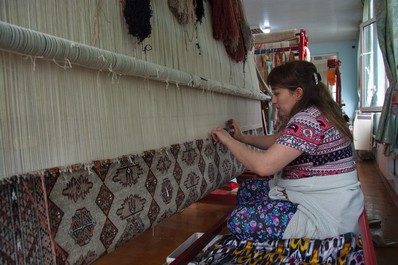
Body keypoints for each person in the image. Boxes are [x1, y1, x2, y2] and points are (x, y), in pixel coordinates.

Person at [211, 60, 364, 242]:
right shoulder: (317, 112)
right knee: (247, 190)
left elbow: (264, 166)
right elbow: (279, 141)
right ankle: (267, 229)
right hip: (334, 200)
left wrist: (227, 140)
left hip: (325, 212)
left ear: (298, 93)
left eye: (276, 93)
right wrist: (242, 138)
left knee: (238, 220)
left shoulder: (308, 119)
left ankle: (273, 242)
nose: (273, 100)